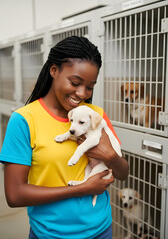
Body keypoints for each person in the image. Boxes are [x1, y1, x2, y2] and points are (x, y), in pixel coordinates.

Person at [0, 36, 129, 239]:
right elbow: (14, 195)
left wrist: (110, 156)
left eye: (90, 86)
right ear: (54, 70)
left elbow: (122, 173)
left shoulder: (96, 115)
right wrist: (82, 189)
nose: (82, 93)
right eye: (75, 82)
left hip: (101, 230)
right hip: (51, 233)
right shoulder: (24, 120)